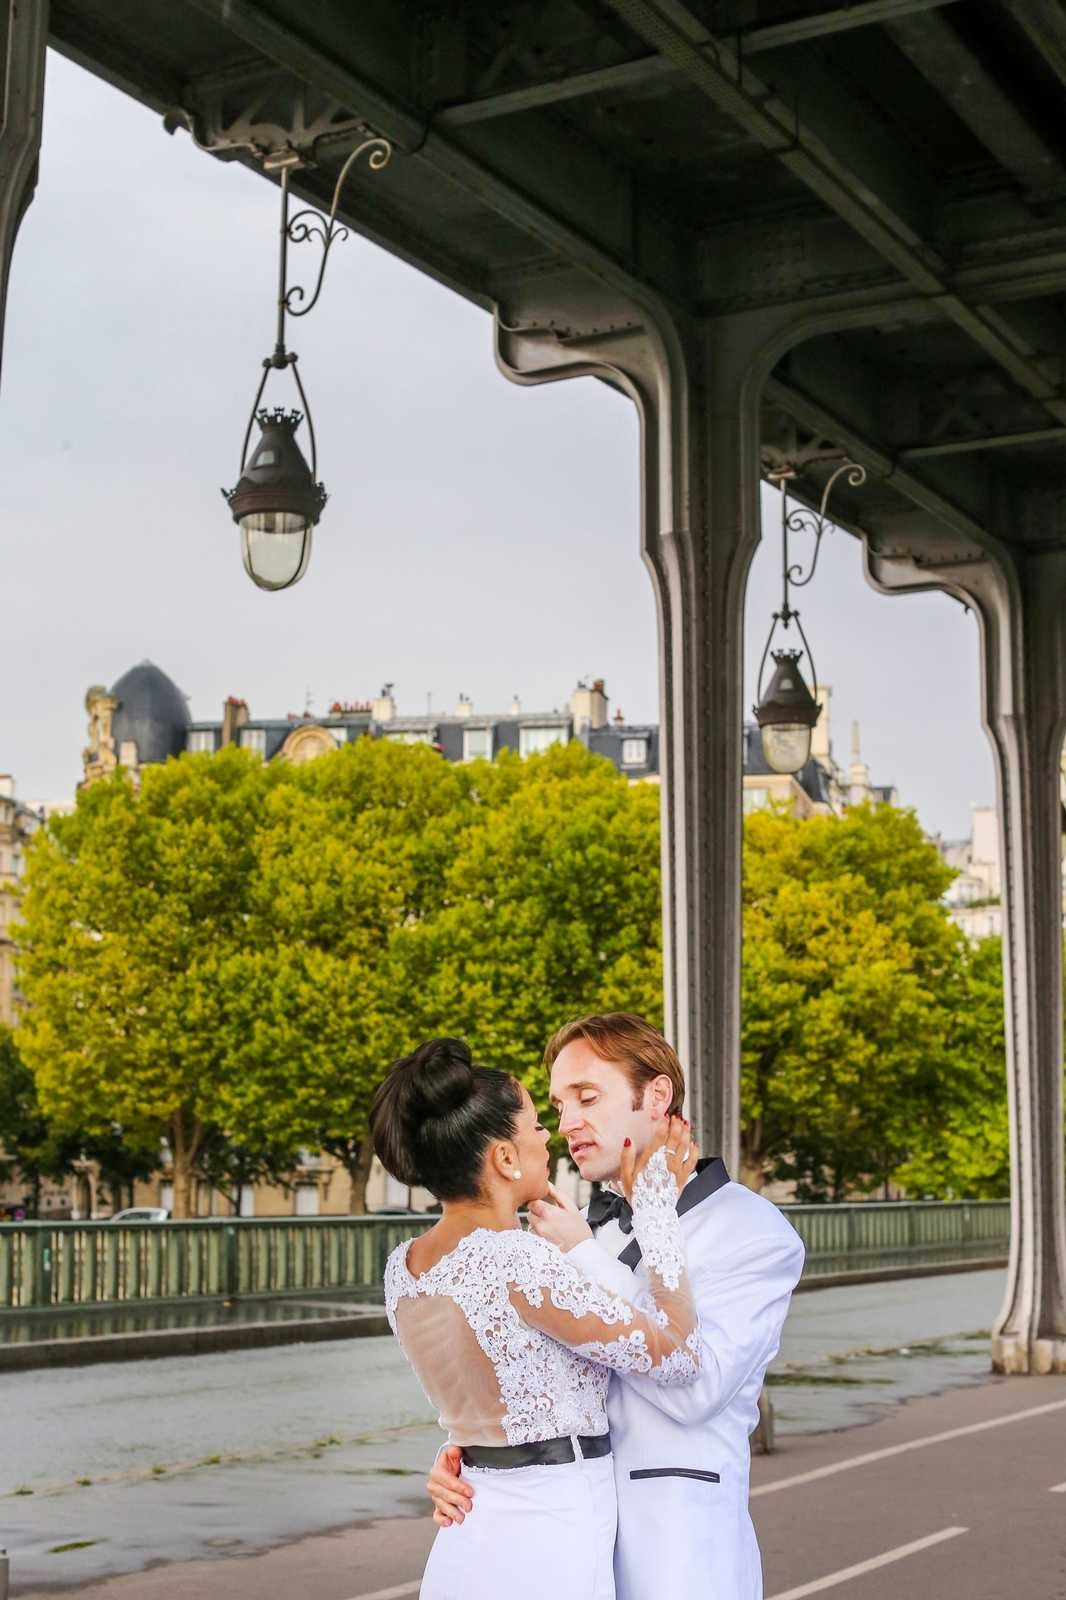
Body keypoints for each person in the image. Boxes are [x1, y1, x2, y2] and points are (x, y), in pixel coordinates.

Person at [426, 1013, 805, 1600]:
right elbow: (541, 1379)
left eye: (587, 1096)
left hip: (676, 1561)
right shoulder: (581, 1230)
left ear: (656, 1095)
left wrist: (582, 1253)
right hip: (565, 1552)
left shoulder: (753, 1232)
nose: (569, 1123)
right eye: (556, 1107)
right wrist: (472, 1456)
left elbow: (695, 1388)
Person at [370, 1035, 703, 1600]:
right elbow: (679, 1355)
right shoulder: (518, 1260)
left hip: (471, 1518)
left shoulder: (403, 1268)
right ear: (504, 1157)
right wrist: (655, 1209)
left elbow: (487, 1393)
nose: (550, 1135)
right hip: (548, 1525)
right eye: (534, 1125)